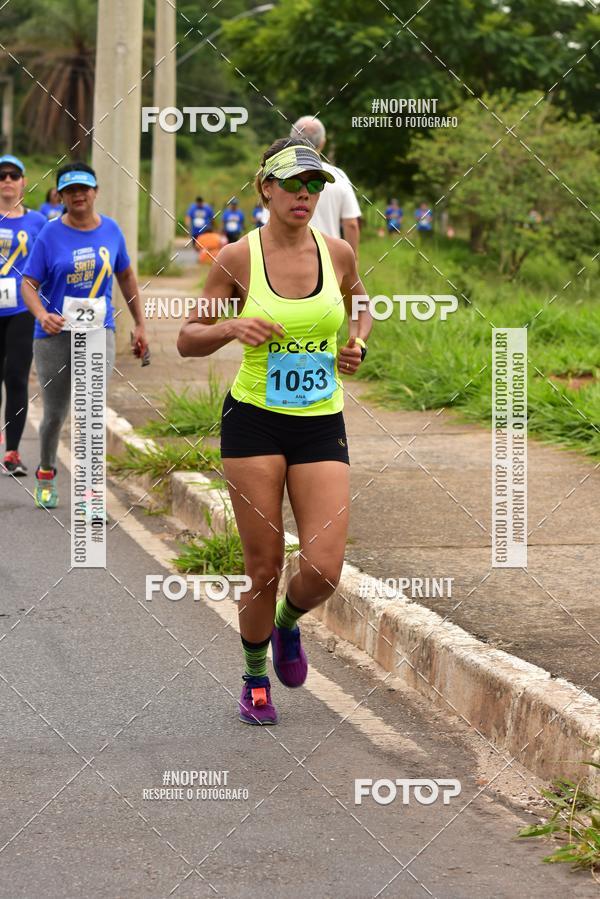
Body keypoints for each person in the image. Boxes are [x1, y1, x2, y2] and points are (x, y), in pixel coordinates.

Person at [178, 137, 373, 726]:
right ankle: (254, 674)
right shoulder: (236, 259)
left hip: (319, 423)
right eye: (293, 184)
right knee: (263, 568)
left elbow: (361, 300)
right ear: (265, 187)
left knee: (322, 569)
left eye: (315, 185)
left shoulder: (336, 252)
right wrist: (232, 326)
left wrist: (357, 342)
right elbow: (188, 338)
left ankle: (289, 624)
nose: (305, 195)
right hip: (255, 423)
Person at [21, 161, 148, 510]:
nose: (78, 195)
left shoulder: (111, 230)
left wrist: (139, 323)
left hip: (98, 332)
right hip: (54, 335)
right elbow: (28, 284)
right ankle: (46, 471)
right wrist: (42, 315)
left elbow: (126, 277)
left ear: (95, 192)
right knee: (54, 414)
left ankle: (91, 495)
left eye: (84, 188)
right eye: (70, 190)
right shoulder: (49, 233)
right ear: (61, 196)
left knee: (92, 412)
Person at [0, 155, 46, 475]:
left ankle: (12, 453)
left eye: (13, 175)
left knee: (16, 377)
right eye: (1, 175)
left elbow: (48, 265)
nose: (6, 180)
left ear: (23, 182)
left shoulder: (38, 222)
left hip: (21, 310)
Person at [290, 117, 361, 255]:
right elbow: (351, 224)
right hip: (330, 258)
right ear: (322, 143)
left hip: (287, 258)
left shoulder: (277, 175)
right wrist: (353, 260)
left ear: (291, 140)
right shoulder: (338, 176)